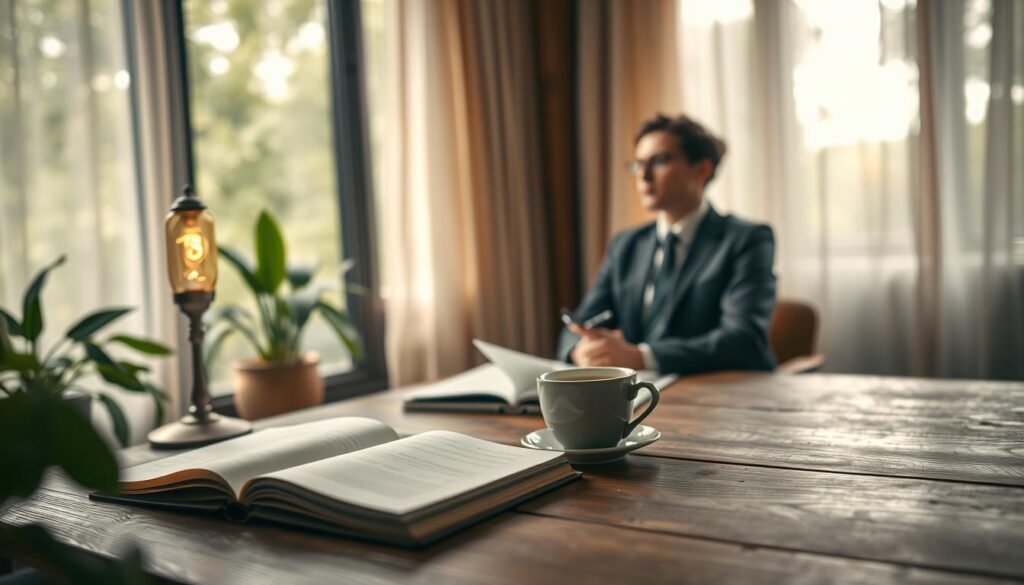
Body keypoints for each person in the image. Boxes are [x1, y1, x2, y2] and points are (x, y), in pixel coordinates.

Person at [556, 113, 776, 374]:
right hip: (637, 394)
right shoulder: (626, 244)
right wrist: (581, 351)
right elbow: (578, 325)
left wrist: (641, 357)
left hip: (722, 396)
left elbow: (742, 339)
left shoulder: (746, 240)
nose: (643, 175)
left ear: (701, 170)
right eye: (637, 164)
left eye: (659, 161)